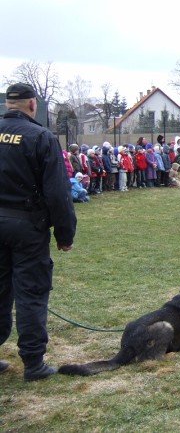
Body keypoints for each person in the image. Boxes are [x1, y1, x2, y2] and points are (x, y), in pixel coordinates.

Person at [0, 83, 77, 381]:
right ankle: (33, 362)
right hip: (27, 225)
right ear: (33, 105)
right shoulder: (41, 137)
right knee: (31, 292)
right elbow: (58, 192)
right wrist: (65, 235)